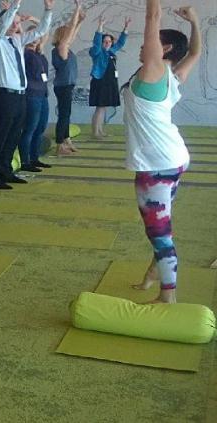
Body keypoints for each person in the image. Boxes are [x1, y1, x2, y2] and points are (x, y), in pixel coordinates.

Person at [127, 2, 201, 304]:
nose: (143, 46)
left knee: (159, 232)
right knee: (160, 222)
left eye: (153, 42)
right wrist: (194, 21)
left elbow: (152, 15)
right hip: (173, 158)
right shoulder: (173, 75)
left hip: (156, 165)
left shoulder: (154, 70)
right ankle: (153, 272)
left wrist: (155, 8)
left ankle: (167, 295)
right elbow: (194, 53)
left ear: (165, 48)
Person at [0, 0, 54, 190]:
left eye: (18, 22)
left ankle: (6, 170)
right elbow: (1, 26)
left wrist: (48, 10)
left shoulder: (17, 41)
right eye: (13, 22)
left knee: (14, 135)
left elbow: (40, 31)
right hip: (4, 95)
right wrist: (15, 6)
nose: (16, 25)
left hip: (20, 95)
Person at [51, 1, 86, 156]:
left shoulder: (65, 48)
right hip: (63, 86)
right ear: (62, 36)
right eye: (67, 34)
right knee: (64, 115)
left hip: (66, 85)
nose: (70, 36)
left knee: (66, 114)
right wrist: (77, 10)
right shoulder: (60, 48)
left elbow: (73, 33)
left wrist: (80, 21)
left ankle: (66, 140)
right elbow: (71, 31)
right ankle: (60, 145)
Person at [88, 15, 130, 139]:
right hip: (100, 81)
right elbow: (96, 43)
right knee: (100, 108)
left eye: (109, 42)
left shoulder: (112, 51)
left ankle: (100, 130)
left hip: (109, 82)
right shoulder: (97, 52)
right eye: (105, 41)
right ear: (101, 43)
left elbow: (121, 43)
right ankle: (95, 132)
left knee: (103, 108)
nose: (107, 43)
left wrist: (126, 28)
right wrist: (100, 26)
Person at [17, 31, 53, 172]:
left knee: (40, 127)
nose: (34, 40)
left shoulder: (39, 53)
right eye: (32, 37)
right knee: (30, 128)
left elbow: (45, 34)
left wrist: (38, 25)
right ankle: (25, 161)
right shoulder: (24, 53)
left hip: (42, 94)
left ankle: (34, 157)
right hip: (31, 94)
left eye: (37, 38)